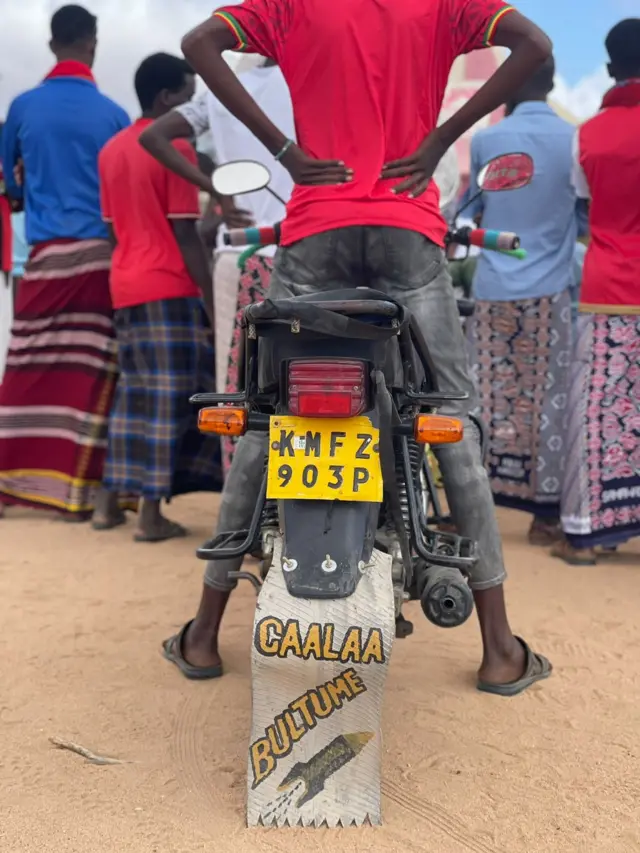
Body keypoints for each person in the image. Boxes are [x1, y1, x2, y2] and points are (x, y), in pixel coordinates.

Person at [161, 0, 554, 696]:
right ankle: (498, 646)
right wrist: (438, 141)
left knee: (267, 417)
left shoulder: (287, 5)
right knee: (451, 419)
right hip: (409, 224)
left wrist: (286, 152)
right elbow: (533, 43)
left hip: (315, 227)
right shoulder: (444, 6)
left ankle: (202, 629)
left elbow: (199, 44)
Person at [0, 5, 130, 521]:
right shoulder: (115, 114)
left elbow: (10, 184)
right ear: (92, 44)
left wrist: (29, 194)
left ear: (53, 46)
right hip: (101, 257)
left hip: (47, 258)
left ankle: (13, 481)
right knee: (93, 375)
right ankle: (79, 493)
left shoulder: (23, 106)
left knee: (26, 368)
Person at [139, 58, 295, 475]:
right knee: (309, 382)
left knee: (238, 388)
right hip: (307, 249)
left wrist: (216, 191)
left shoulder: (222, 91)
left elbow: (154, 136)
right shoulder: (315, 76)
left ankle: (241, 507)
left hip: (239, 257)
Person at [94, 53, 222, 541]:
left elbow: (114, 232)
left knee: (134, 395)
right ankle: (150, 514)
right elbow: (186, 235)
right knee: (170, 399)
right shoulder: (176, 149)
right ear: (167, 98)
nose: (188, 115)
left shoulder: (110, 151)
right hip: (169, 285)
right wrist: (213, 302)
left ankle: (107, 503)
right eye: (187, 99)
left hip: (125, 283)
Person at [466, 57, 578, 546]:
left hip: (493, 286)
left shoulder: (487, 140)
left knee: (484, 398)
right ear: (552, 83)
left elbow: (469, 213)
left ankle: (473, 508)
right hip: (552, 290)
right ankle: (545, 516)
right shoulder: (575, 140)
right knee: (548, 402)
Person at [554, 18, 640, 565]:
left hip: (607, 283)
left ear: (610, 68)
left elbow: (583, 207)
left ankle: (587, 534)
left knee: (599, 409)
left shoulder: (586, 133)